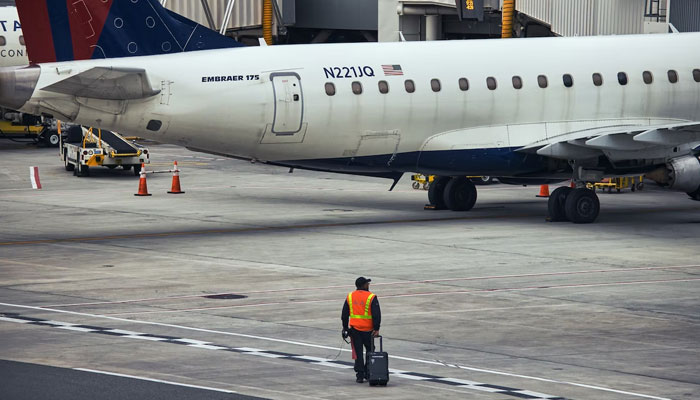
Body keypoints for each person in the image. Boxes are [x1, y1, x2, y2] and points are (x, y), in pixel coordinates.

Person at [341, 276, 381, 383]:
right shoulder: (371, 297)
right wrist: (376, 328)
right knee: (370, 351)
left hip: (355, 330)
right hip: (369, 331)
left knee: (358, 353)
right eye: (367, 284)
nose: (368, 285)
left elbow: (344, 314)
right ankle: (368, 373)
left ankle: (359, 375)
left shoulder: (350, 296)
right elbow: (376, 314)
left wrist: (345, 328)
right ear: (363, 285)